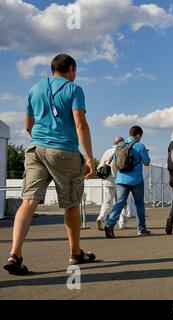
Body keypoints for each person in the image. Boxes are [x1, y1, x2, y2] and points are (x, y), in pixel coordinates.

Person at [3, 54, 96, 275]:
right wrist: (89, 157)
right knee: (71, 202)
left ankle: (14, 254)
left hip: (35, 150)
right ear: (71, 69)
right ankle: (75, 254)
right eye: (76, 70)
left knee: (29, 201)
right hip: (64, 151)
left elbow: (28, 125)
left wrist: (42, 139)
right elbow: (80, 124)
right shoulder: (74, 89)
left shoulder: (35, 89)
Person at [104, 126, 150, 238]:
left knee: (119, 202)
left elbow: (116, 163)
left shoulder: (120, 146)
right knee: (139, 203)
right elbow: (146, 162)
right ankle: (141, 229)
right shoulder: (140, 146)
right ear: (138, 135)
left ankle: (110, 224)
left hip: (121, 179)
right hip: (136, 180)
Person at [96, 136, 137, 231]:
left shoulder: (107, 152)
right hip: (119, 181)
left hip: (107, 181)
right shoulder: (123, 151)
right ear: (122, 142)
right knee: (122, 202)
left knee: (107, 201)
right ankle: (122, 223)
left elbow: (100, 167)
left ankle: (101, 218)